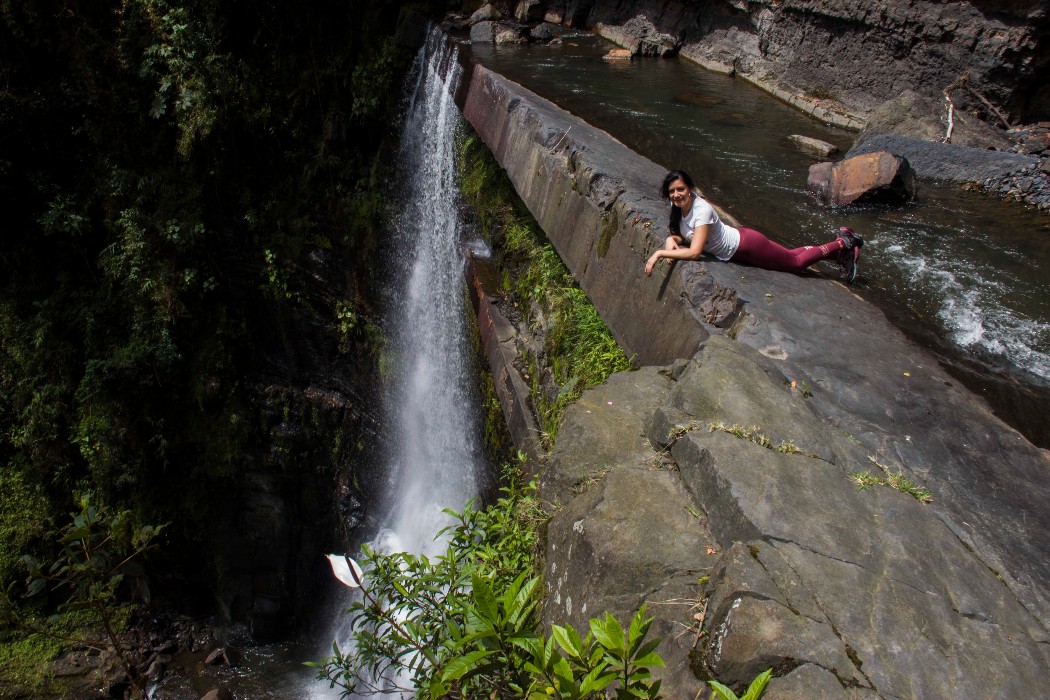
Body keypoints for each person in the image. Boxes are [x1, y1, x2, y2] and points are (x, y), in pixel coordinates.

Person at [644, 170, 863, 283]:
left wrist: (659, 253)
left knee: (795, 263)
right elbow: (684, 236)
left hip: (747, 245)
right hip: (738, 249)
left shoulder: (702, 210)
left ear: (690, 188)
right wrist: (671, 240)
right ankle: (839, 253)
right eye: (672, 191)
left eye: (680, 189)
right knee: (788, 254)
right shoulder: (679, 210)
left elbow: (694, 253)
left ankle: (843, 242)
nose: (676, 195)